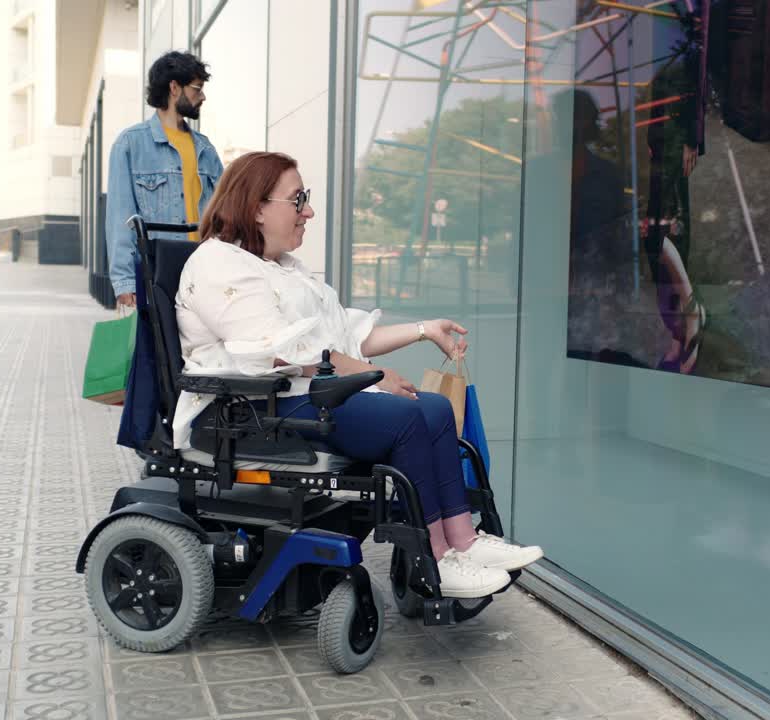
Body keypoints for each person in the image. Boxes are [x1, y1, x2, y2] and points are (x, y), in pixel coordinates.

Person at [172, 151, 543, 598]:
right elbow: (276, 349)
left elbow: (345, 334)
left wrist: (426, 330)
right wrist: (370, 375)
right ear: (256, 207)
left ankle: (463, 541)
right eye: (298, 199)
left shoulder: (285, 268)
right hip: (252, 409)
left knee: (435, 408)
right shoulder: (218, 263)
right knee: (407, 419)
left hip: (301, 396)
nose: (308, 211)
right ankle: (437, 560)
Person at [106, 51, 223, 309]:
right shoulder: (130, 144)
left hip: (204, 275)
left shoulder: (206, 149)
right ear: (174, 87)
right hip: (157, 276)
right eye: (197, 88)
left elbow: (225, 214)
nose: (202, 96)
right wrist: (124, 284)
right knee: (158, 349)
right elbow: (120, 218)